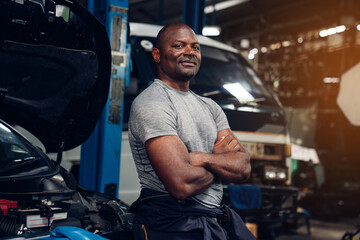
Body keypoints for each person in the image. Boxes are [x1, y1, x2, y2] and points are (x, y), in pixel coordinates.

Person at [128, 23, 255, 240]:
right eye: (179, 46)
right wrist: (222, 162)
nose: (189, 52)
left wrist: (202, 159)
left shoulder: (210, 107)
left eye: (195, 47)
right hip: (171, 225)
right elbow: (181, 184)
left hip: (211, 220)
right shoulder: (153, 103)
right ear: (157, 55)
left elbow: (244, 167)